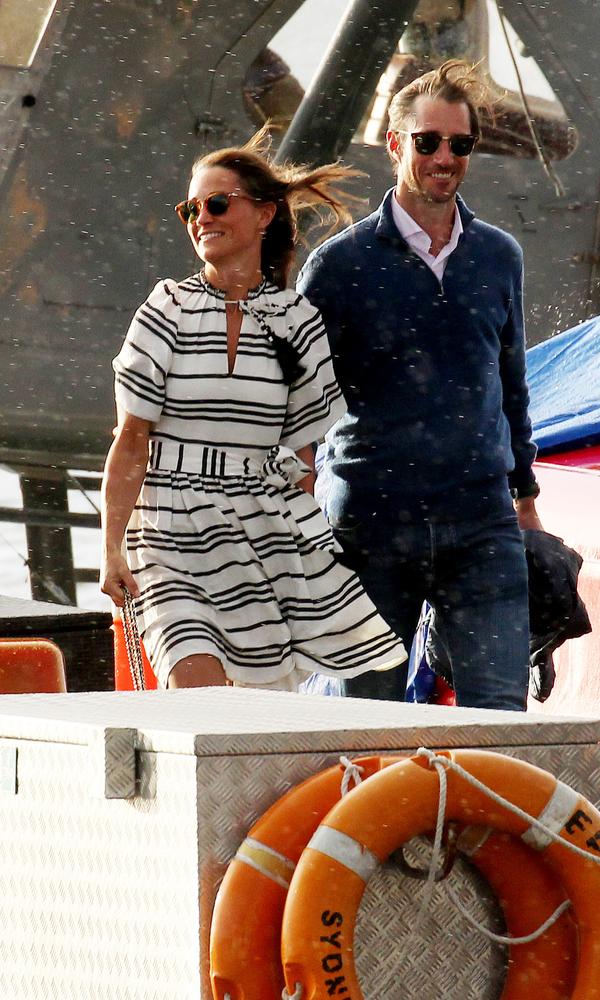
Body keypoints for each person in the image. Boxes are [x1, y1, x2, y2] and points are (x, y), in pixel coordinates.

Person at [100, 129, 405, 690]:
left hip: (262, 529)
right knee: (197, 687)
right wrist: (111, 547)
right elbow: (131, 436)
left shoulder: (296, 320)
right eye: (191, 208)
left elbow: (303, 451)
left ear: (264, 215)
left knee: (264, 712)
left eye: (217, 203)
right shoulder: (167, 308)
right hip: (169, 526)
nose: (200, 218)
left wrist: (305, 523)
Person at [297, 59, 542, 710]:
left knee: (502, 723)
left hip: (480, 520)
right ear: (395, 143)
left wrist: (526, 498)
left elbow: (511, 382)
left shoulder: (499, 256)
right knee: (362, 727)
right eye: (428, 141)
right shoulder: (339, 266)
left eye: (460, 144)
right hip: (372, 524)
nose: (444, 157)